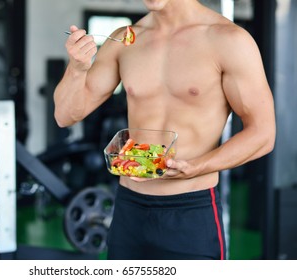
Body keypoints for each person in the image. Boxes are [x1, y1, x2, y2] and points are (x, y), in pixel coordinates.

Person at [53, 0, 276, 260]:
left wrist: (198, 167)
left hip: (190, 211)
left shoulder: (229, 40)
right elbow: (65, 115)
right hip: (129, 209)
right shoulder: (125, 40)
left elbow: (263, 134)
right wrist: (78, 68)